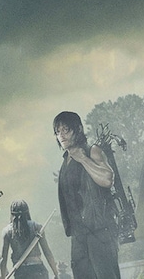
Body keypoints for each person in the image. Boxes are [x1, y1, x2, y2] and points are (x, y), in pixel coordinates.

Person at [53, 111, 120, 279]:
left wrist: (83, 159)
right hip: (78, 235)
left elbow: (107, 179)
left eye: (66, 130)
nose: (61, 135)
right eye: (58, 131)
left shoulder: (92, 151)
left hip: (99, 231)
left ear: (78, 129)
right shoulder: (65, 161)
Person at [0, 200, 59, 279]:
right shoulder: (37, 227)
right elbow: (47, 252)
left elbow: (3, 259)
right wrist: (56, 273)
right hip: (38, 271)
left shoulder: (7, 231)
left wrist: (3, 277)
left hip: (21, 272)